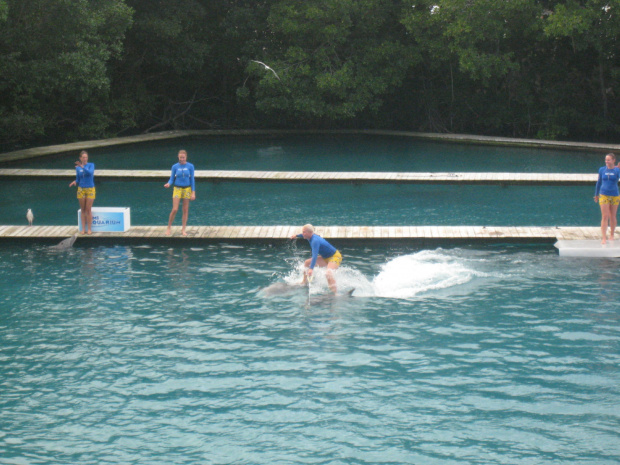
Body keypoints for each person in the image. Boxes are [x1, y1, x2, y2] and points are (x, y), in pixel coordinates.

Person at [290, 224, 342, 293]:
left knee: (328, 273)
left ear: (310, 233)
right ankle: (304, 282)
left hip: (335, 257)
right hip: (326, 257)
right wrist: (296, 236)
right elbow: (302, 235)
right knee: (306, 263)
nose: (303, 234)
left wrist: (311, 269)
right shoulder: (309, 236)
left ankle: (335, 294)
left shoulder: (315, 241)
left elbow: (314, 256)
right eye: (303, 232)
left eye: (304, 232)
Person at [164, 149, 196, 236]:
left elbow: (192, 179)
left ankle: (183, 229)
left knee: (185, 209)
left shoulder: (190, 166)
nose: (182, 159)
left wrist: (193, 192)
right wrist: (168, 184)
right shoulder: (175, 166)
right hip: (177, 188)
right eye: (180, 157)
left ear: (186, 157)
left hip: (187, 189)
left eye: (183, 157)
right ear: (178, 157)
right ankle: (169, 227)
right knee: (175, 209)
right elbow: (171, 178)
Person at [594, 152, 620, 244]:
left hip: (615, 195)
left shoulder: (617, 170)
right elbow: (599, 182)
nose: (606, 161)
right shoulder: (602, 170)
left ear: (613, 160)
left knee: (612, 216)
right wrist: (596, 194)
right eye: (606, 160)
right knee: (605, 216)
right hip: (603, 194)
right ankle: (604, 237)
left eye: (608, 160)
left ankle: (612, 234)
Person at [69, 150, 95, 235]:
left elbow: (90, 173)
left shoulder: (91, 165)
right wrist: (75, 181)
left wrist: (83, 167)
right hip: (81, 189)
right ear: (80, 158)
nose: (85, 159)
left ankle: (89, 229)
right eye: (83, 157)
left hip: (90, 189)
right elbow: (78, 178)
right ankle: (83, 229)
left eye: (86, 157)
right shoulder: (78, 168)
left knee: (88, 209)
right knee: (83, 209)